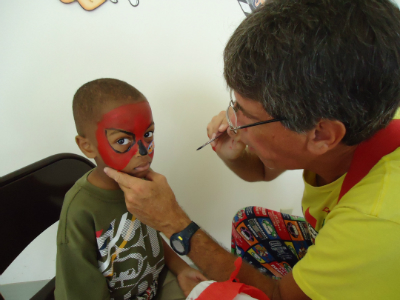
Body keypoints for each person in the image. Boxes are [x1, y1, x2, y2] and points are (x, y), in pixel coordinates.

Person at [104, 0, 400, 299]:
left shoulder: (376, 220)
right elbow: (263, 170)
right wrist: (236, 155)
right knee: (250, 224)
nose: (231, 120)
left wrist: (173, 223)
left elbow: (280, 296)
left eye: (245, 112)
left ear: (321, 134)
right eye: (234, 105)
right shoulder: (363, 102)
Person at [55, 78, 206, 300]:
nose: (143, 151)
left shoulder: (140, 183)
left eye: (148, 134)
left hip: (156, 283)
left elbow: (150, 239)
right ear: (87, 146)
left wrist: (182, 268)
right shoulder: (80, 210)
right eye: (123, 140)